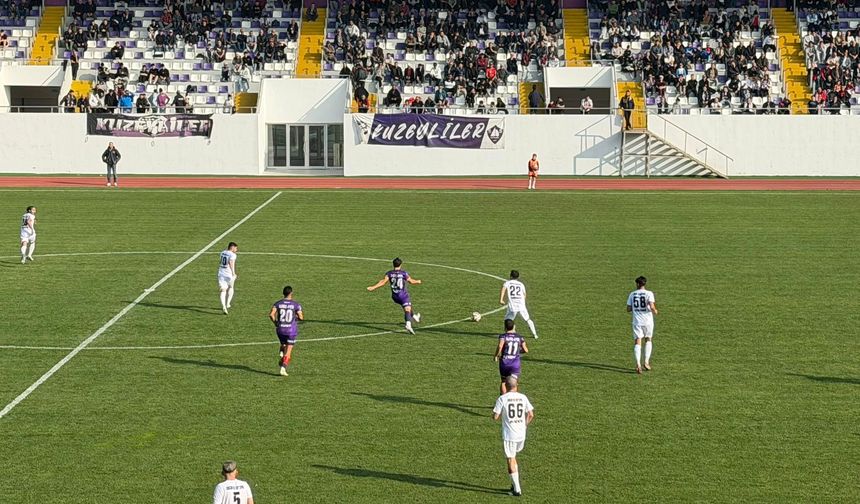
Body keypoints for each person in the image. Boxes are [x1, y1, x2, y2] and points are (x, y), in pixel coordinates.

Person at [492, 376, 534, 497]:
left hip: (510, 435)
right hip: (522, 434)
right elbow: (531, 414)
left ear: (506, 386)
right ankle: (514, 483)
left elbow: (495, 417)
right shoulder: (523, 397)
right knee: (514, 457)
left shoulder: (502, 399)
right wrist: (524, 425)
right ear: (517, 385)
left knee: (510, 459)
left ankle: (517, 489)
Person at [367, 257, 422, 334]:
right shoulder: (403, 273)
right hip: (402, 295)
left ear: (393, 264)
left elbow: (383, 282)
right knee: (407, 309)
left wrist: (373, 287)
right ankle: (408, 324)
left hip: (394, 296)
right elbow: (411, 281)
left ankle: (415, 317)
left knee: (407, 306)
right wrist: (418, 281)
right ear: (401, 264)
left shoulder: (389, 273)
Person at [269, 286, 304, 376]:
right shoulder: (296, 305)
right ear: (291, 293)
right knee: (288, 351)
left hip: (280, 330)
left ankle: (281, 352)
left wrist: (276, 323)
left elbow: (271, 315)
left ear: (283, 293)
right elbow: (301, 317)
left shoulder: (278, 303)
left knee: (284, 344)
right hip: (291, 331)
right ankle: (283, 368)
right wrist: (295, 317)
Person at [626, 276, 658, 374]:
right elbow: (652, 306)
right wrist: (655, 310)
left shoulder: (632, 294)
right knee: (648, 339)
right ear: (644, 284)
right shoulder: (649, 293)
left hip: (637, 321)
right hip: (648, 321)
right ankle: (646, 362)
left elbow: (628, 309)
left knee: (637, 342)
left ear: (637, 284)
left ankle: (638, 364)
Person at [494, 319, 529, 395]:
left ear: (505, 328)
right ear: (514, 326)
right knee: (514, 381)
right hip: (515, 364)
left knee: (503, 381)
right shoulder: (519, 337)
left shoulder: (503, 336)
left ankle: (503, 400)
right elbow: (526, 350)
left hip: (504, 362)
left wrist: (496, 356)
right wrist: (517, 352)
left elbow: (500, 346)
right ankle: (514, 399)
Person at [500, 270, 538, 338]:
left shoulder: (508, 283)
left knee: (508, 319)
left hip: (513, 305)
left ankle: (508, 333)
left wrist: (501, 299)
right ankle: (535, 334)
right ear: (518, 277)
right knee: (527, 319)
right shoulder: (521, 284)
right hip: (521, 305)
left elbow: (503, 289)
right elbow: (524, 294)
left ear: (510, 276)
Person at [217, 242, 238, 314]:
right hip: (229, 274)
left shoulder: (222, 252)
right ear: (232, 247)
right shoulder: (233, 255)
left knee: (223, 290)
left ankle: (224, 306)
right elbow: (231, 263)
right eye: (236, 248)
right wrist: (233, 273)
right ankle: (228, 303)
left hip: (221, 273)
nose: (236, 249)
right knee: (231, 287)